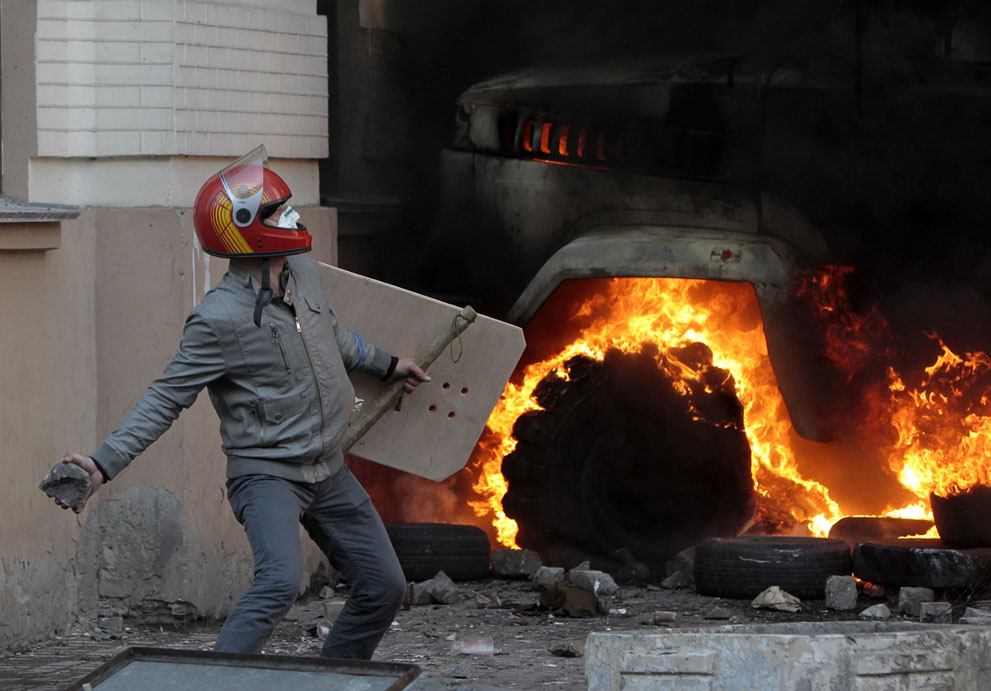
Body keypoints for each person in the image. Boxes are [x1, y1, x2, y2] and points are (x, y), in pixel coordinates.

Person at [54, 145, 429, 660]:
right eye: (279, 212)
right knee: (279, 582)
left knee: (384, 585)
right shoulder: (218, 319)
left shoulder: (303, 272)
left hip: (328, 469)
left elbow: (332, 335)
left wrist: (387, 364)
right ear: (250, 229)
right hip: (268, 474)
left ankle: (333, 679)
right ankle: (217, 680)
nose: (292, 217)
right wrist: (103, 464)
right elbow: (165, 397)